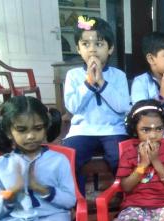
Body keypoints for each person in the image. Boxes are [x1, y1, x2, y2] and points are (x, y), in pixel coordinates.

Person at [63, 16, 131, 196]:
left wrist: (101, 82)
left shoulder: (118, 75)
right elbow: (72, 107)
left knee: (121, 157)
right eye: (86, 44)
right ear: (78, 48)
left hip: (113, 130)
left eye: (99, 44)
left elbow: (122, 106)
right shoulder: (73, 75)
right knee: (68, 158)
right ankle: (78, 200)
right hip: (82, 130)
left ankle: (124, 197)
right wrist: (88, 82)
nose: (92, 50)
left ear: (110, 48)